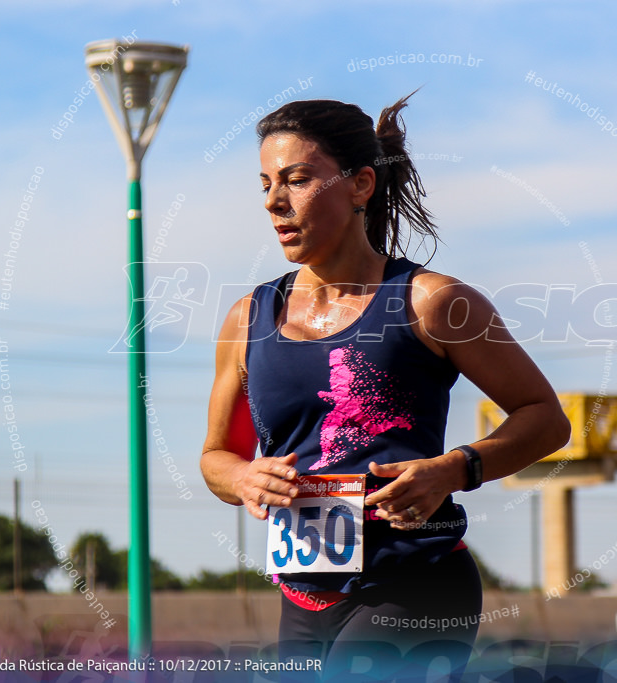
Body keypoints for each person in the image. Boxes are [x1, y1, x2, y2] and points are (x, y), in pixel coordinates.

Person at [200, 93, 570, 681]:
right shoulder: (248, 319)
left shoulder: (433, 302)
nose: (274, 201)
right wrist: (244, 476)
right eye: (266, 183)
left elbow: (546, 417)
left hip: (418, 582)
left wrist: (454, 468)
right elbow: (216, 457)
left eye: (296, 179)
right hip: (303, 597)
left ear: (360, 185)